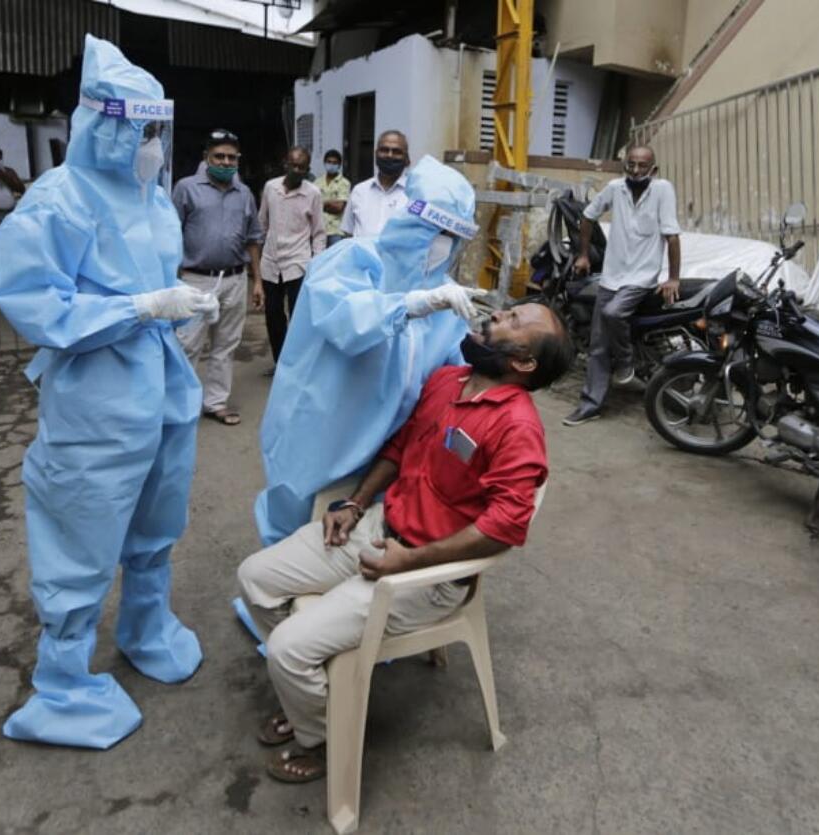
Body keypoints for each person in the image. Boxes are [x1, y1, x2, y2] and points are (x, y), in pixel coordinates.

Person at [238, 303, 574, 782]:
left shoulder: (517, 427)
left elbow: (506, 527)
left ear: (524, 364)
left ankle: (321, 737)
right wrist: (354, 505)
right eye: (509, 310)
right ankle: (310, 700)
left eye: (515, 323)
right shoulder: (448, 381)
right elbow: (399, 449)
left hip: (423, 575)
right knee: (255, 578)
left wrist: (409, 561)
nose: (498, 314)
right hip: (378, 530)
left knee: (289, 649)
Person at [0, 35, 216, 750]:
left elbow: (155, 281)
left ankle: (147, 626)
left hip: (162, 384)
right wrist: (142, 307)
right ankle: (60, 681)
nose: (152, 144)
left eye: (158, 130)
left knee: (157, 519)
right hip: (96, 396)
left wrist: (176, 306)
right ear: (105, 124)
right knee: (81, 531)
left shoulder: (150, 199)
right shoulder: (55, 201)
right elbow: (36, 306)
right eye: (142, 130)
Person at [254, 155, 486, 547]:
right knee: (294, 513)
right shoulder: (354, 259)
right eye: (438, 229)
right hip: (323, 422)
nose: (444, 245)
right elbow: (346, 321)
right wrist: (412, 304)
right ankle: (274, 591)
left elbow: (455, 372)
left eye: (454, 236)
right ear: (413, 219)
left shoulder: (445, 299)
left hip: (386, 441)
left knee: (355, 527)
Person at [564, 144, 681, 426]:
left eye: (642, 165)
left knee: (613, 313)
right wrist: (582, 254)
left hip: (642, 278)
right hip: (611, 276)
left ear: (653, 169)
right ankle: (590, 404)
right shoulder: (616, 188)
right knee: (598, 346)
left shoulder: (663, 190)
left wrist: (674, 277)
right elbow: (588, 216)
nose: (636, 170)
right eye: (631, 164)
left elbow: (672, 236)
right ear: (624, 166)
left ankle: (627, 364)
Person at [171, 129, 265, 426]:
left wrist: (258, 280)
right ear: (206, 158)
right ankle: (178, 406)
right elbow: (171, 234)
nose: (225, 162)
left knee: (225, 346)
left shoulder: (245, 193)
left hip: (235, 279)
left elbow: (253, 238)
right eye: (219, 157)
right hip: (195, 280)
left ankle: (215, 403)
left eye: (231, 158)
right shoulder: (186, 188)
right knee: (187, 344)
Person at [257, 146, 326, 371]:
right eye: (293, 165)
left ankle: (300, 364)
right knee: (273, 317)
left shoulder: (313, 193)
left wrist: (316, 264)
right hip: (270, 263)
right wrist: (256, 263)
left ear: (307, 170)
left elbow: (318, 233)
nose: (296, 170)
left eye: (302, 167)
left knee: (299, 317)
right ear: (285, 163)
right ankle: (281, 364)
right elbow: (262, 224)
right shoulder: (271, 188)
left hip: (298, 264)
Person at [340, 130, 411, 239]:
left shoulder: (415, 194)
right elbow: (348, 234)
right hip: (362, 256)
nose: (389, 155)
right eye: (384, 150)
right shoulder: (359, 191)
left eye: (396, 151)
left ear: (406, 158)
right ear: (376, 154)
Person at [314, 149, 350, 247]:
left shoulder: (344, 183)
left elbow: (339, 208)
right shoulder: (317, 182)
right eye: (329, 162)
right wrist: (330, 203)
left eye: (335, 163)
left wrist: (321, 204)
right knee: (319, 259)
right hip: (319, 229)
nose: (331, 165)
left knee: (335, 259)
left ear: (339, 165)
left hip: (336, 230)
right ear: (324, 163)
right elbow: (313, 206)